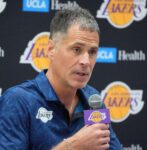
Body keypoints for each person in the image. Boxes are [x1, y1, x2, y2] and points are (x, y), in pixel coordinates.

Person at [0, 6, 122, 150]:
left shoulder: (93, 100)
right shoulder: (18, 100)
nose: (86, 61)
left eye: (92, 52)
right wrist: (73, 146)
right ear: (51, 50)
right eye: (76, 49)